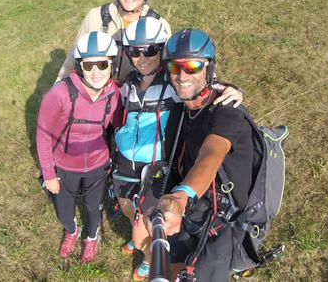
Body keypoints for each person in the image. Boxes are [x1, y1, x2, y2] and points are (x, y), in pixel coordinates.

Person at [114, 21, 244, 280]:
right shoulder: (127, 84)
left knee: (144, 225)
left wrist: (231, 88)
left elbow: (211, 149)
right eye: (135, 52)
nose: (142, 58)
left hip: (158, 169)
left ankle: (148, 259)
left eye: (151, 50)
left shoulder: (174, 86)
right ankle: (140, 245)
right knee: (130, 210)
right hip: (126, 164)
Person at [147, 29, 255, 281]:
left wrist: (182, 196)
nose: (183, 75)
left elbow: (211, 155)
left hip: (223, 221)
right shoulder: (183, 109)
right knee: (171, 265)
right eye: (175, 67)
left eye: (193, 66)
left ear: (209, 68)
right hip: (193, 208)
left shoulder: (227, 113)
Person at [36, 31, 122, 264]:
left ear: (112, 66)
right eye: (89, 65)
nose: (96, 73)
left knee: (94, 207)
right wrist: (49, 174)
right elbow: (43, 137)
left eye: (102, 64)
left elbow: (119, 126)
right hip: (64, 166)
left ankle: (91, 238)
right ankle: (71, 231)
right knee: (64, 210)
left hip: (97, 166)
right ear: (79, 66)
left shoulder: (114, 95)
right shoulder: (59, 94)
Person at [56, 0, 172, 85]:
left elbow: (168, 67)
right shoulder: (96, 17)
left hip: (136, 95)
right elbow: (74, 58)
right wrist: (58, 88)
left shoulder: (159, 25)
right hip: (100, 92)